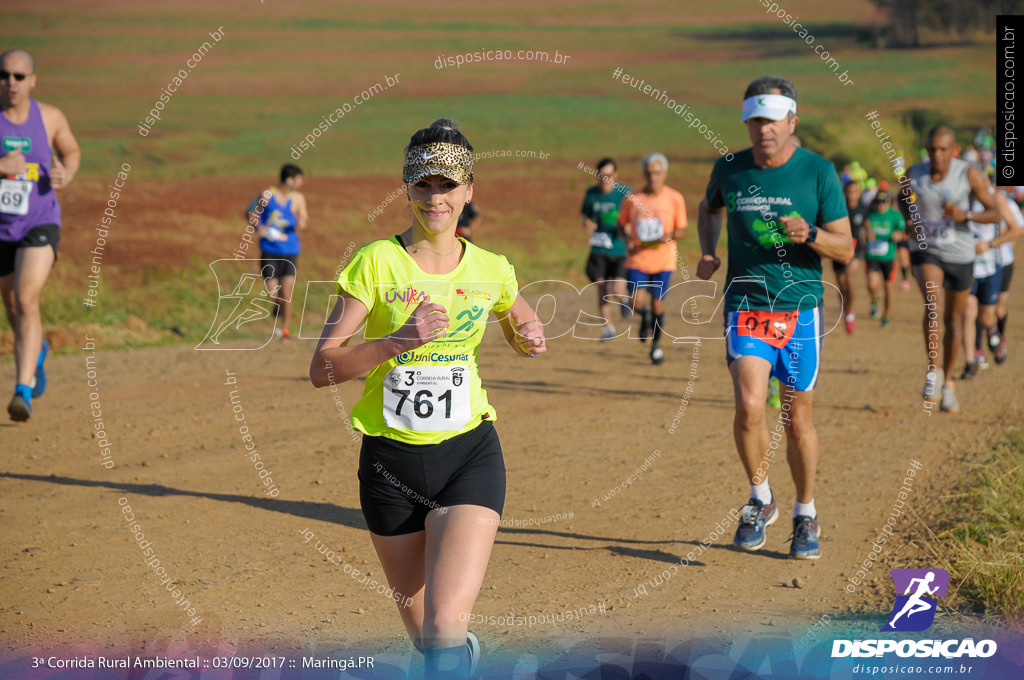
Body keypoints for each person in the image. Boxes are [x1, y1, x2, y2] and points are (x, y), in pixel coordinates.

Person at [309, 118, 546, 679]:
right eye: (424, 184)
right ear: (407, 189)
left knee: (442, 626)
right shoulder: (376, 263)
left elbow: (518, 316)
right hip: (388, 466)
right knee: (424, 637)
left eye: (448, 184)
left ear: (469, 190)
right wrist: (397, 342)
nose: (435, 197)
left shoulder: (491, 269)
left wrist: (529, 333)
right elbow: (322, 367)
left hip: (468, 454)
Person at [697, 75, 853, 560]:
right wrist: (708, 251)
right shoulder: (730, 169)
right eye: (754, 120)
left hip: (801, 309)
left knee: (797, 418)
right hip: (746, 304)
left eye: (771, 120)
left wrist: (809, 235)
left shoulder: (818, 172)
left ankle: (805, 512)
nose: (763, 129)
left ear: (792, 121)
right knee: (748, 405)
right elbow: (709, 208)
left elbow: (846, 248)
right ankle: (760, 498)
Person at [901, 125, 1006, 412]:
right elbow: (902, 199)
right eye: (932, 149)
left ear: (954, 150)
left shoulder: (969, 173)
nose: (937, 155)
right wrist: (909, 222)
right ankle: (933, 372)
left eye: (943, 149)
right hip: (927, 250)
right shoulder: (914, 173)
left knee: (955, 320)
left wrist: (966, 214)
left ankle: (948, 384)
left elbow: (996, 212)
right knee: (933, 305)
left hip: (960, 253)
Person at [0, 49, 80, 421]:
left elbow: (72, 150)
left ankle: (23, 390)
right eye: (4, 75)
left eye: (19, 76)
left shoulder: (49, 117)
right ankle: (38, 351)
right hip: (2, 229)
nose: (11, 83)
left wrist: (67, 171)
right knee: (14, 308)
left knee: (26, 297)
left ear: (32, 80)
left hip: (39, 221)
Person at [619, 152, 686, 364]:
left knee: (659, 308)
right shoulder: (633, 198)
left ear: (664, 174)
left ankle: (656, 347)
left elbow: (682, 229)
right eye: (649, 173)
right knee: (636, 302)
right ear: (644, 174)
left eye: (657, 173)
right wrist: (627, 239)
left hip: (663, 261)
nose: (653, 178)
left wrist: (670, 236)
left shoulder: (674, 198)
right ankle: (644, 317)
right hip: (638, 258)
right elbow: (621, 224)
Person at [961, 187, 1017, 377]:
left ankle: (994, 333)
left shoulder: (997, 201)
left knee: (986, 317)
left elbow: (1015, 230)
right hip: (967, 268)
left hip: (991, 267)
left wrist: (990, 244)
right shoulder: (960, 200)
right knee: (968, 313)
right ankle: (971, 361)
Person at [250, 164, 308, 343]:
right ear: (290, 179)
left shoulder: (298, 198)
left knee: (287, 292)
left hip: (290, 251)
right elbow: (253, 214)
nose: (302, 182)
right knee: (274, 294)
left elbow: (304, 219)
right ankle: (277, 304)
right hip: (269, 251)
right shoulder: (267, 195)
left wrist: (301, 222)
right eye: (299, 178)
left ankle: (285, 331)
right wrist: (258, 228)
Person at [580, 157, 630, 341]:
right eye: (601, 175)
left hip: (619, 250)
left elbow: (636, 217)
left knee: (616, 291)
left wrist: (627, 228)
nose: (605, 179)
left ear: (615, 175)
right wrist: (588, 224)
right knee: (601, 289)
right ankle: (608, 327)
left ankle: (624, 298)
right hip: (599, 249)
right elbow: (587, 217)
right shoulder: (592, 194)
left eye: (608, 175)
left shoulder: (625, 194)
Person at [864, 191, 906, 327]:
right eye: (878, 202)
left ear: (888, 202)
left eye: (883, 202)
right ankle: (874, 300)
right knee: (872, 283)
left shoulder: (895, 215)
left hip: (888, 258)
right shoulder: (870, 213)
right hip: (872, 256)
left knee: (888, 288)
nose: (880, 205)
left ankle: (886, 315)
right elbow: (863, 228)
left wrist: (897, 235)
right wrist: (866, 233)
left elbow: (904, 232)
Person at [992, 188, 1022, 364]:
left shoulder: (1008, 204)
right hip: (981, 264)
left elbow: (1020, 228)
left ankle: (1000, 339)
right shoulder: (972, 203)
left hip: (1004, 262)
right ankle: (977, 351)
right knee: (977, 309)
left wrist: (1006, 235)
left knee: (998, 307)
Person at [835, 181, 868, 333]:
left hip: (856, 250)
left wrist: (869, 235)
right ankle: (845, 308)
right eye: (849, 192)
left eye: (855, 191)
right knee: (841, 286)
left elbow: (867, 225)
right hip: (838, 250)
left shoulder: (863, 208)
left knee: (849, 278)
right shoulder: (838, 208)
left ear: (859, 193)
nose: (852, 195)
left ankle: (849, 312)